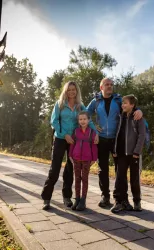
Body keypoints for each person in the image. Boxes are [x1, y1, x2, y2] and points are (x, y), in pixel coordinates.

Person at [41, 81, 98, 210]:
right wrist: (64, 134)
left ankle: (67, 197)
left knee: (70, 169)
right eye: (69, 90)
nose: (71, 92)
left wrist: (95, 133)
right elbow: (54, 121)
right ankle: (46, 198)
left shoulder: (80, 105)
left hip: (74, 141)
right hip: (61, 138)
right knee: (54, 168)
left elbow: (88, 120)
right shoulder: (60, 104)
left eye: (74, 89)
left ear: (77, 91)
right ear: (65, 91)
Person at [86, 78, 142, 208]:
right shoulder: (96, 101)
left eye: (111, 84)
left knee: (120, 170)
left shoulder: (118, 100)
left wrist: (139, 110)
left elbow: (131, 107)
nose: (110, 86)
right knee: (103, 169)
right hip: (101, 139)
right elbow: (85, 113)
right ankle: (105, 196)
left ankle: (123, 199)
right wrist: (93, 126)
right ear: (101, 87)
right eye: (107, 84)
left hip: (117, 139)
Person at [111, 94, 146, 213]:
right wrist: (115, 149)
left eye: (125, 103)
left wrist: (137, 151)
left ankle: (137, 201)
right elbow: (117, 134)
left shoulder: (138, 117)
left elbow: (142, 135)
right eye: (122, 103)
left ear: (132, 105)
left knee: (134, 179)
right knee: (120, 178)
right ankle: (119, 202)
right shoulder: (120, 117)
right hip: (121, 153)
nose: (123, 105)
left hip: (134, 154)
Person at [69, 111, 98, 211]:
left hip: (87, 159)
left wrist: (94, 158)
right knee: (77, 179)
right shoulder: (76, 131)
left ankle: (83, 200)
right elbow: (72, 144)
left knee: (84, 179)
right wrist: (70, 155)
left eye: (84, 119)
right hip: (76, 159)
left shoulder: (92, 132)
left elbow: (94, 146)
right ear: (78, 121)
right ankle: (77, 199)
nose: (82, 121)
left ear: (88, 120)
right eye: (80, 119)